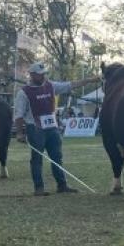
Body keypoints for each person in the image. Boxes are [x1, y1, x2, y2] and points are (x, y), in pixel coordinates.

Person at [14, 62, 99, 196]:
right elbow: (18, 115)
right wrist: (19, 133)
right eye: (40, 75)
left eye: (44, 74)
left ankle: (62, 185)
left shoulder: (51, 86)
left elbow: (71, 84)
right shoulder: (23, 93)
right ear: (32, 75)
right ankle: (39, 188)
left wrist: (89, 80)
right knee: (37, 159)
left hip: (52, 129)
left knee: (57, 157)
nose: (43, 76)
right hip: (35, 130)